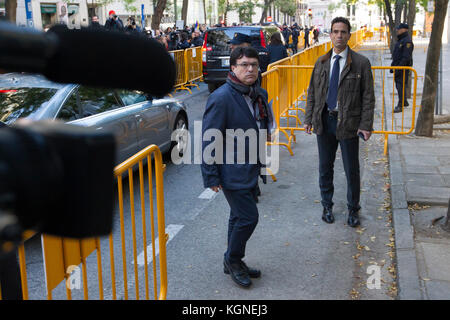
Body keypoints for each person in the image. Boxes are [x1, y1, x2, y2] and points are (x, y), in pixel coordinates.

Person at [201, 47, 274, 288]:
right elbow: (210, 138)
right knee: (248, 217)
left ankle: (232, 260)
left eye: (254, 64)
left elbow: (261, 123)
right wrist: (211, 176)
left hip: (251, 167)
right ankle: (232, 259)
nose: (250, 68)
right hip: (231, 171)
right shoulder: (221, 97)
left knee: (237, 216)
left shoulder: (257, 93)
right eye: (244, 64)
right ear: (233, 68)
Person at [303, 17, 375, 228]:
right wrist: (308, 118)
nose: (339, 35)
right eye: (335, 31)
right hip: (324, 121)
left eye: (343, 32)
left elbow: (368, 97)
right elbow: (312, 93)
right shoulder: (322, 62)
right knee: (325, 167)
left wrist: (365, 125)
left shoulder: (361, 63)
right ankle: (327, 205)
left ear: (349, 35)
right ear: (330, 34)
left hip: (349, 124)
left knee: (351, 169)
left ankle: (353, 209)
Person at [391, 23, 414, 113]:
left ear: (404, 30)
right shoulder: (401, 40)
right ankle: (404, 102)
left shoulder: (407, 41)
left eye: (399, 29)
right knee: (399, 85)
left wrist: (399, 67)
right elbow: (397, 55)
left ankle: (400, 105)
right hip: (398, 67)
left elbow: (406, 57)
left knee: (400, 86)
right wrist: (393, 66)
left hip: (402, 68)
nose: (397, 30)